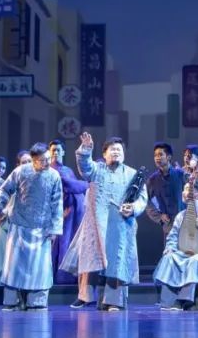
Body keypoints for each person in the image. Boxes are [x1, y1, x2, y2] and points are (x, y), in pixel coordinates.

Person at [61, 133, 148, 311]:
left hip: (121, 223)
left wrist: (133, 208)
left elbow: (142, 198)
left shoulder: (132, 174)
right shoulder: (97, 170)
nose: (116, 152)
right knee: (91, 258)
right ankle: (85, 296)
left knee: (117, 261)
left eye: (119, 150)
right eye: (112, 149)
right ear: (104, 153)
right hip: (96, 222)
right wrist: (86, 149)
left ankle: (113, 301)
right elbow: (84, 166)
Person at [0, 143, 63, 311]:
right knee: (14, 266)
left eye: (48, 159)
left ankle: (36, 302)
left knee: (39, 269)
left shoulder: (54, 175)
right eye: (42, 160)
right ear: (34, 160)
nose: (47, 163)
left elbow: (57, 202)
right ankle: (12, 301)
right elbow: (4, 191)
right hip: (19, 226)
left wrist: (55, 229)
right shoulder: (20, 171)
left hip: (42, 229)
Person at [153, 179, 198, 311]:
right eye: (184, 189)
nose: (183, 192)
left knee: (195, 261)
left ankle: (183, 300)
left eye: (187, 189)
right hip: (182, 253)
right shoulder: (181, 216)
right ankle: (168, 301)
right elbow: (173, 236)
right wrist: (170, 248)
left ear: (197, 194)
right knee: (169, 258)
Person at [47, 139, 88, 284]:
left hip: (74, 214)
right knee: (62, 244)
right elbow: (69, 184)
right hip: (61, 212)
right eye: (53, 150)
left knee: (72, 242)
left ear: (63, 152)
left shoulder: (67, 170)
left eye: (58, 150)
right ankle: (62, 277)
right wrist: (88, 184)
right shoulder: (50, 170)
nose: (56, 153)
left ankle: (72, 276)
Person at [146, 142, 186, 243]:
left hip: (185, 224)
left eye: (160, 154)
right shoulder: (152, 180)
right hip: (168, 227)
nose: (157, 158)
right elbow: (148, 201)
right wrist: (159, 216)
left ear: (168, 157)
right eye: (155, 155)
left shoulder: (180, 175)